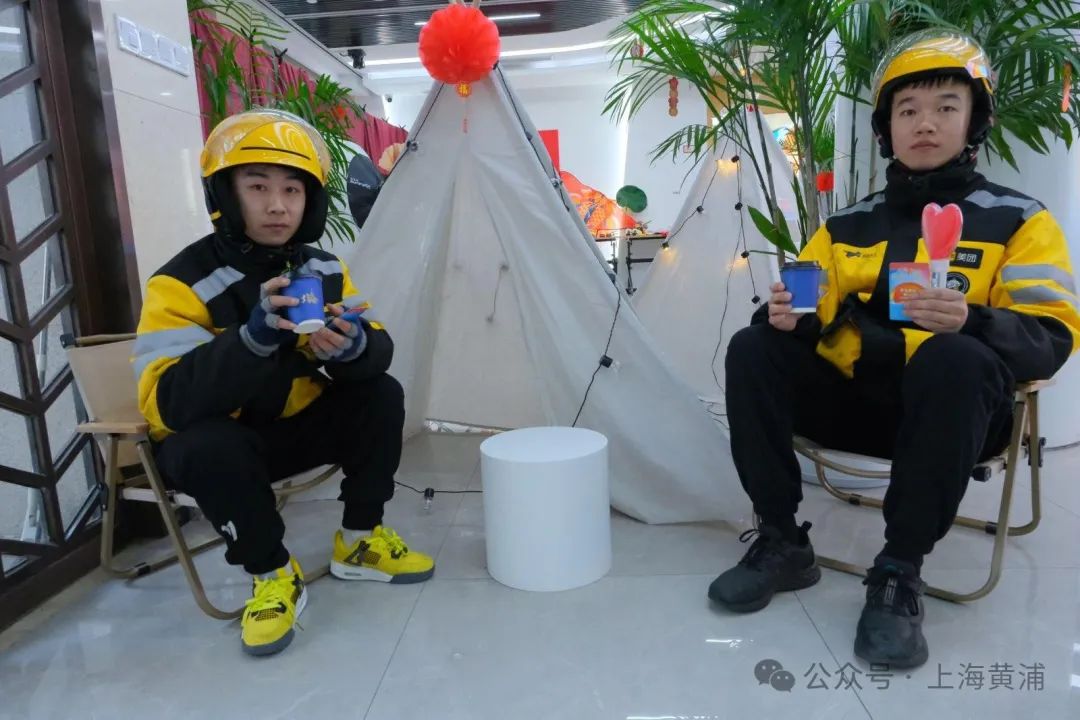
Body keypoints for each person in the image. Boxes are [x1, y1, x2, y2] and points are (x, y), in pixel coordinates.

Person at [708, 31, 1080, 669]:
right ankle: (781, 540)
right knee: (752, 347)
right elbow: (804, 305)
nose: (925, 123)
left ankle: (898, 571)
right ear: (887, 129)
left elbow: (1050, 335)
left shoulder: (1019, 220)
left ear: (975, 121)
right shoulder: (846, 225)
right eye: (908, 110)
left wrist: (973, 320)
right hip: (856, 403)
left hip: (952, 416)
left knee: (955, 355)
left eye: (945, 107)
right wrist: (785, 314)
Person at [133, 109, 433, 657]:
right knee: (201, 444)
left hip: (291, 430)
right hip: (226, 449)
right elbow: (166, 404)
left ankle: (359, 542)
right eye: (258, 187)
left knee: (379, 393)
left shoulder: (323, 269)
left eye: (292, 189)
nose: (277, 205)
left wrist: (352, 348)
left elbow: (377, 345)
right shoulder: (180, 282)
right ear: (225, 195)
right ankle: (271, 575)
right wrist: (251, 339)